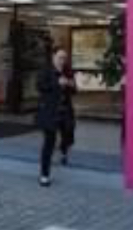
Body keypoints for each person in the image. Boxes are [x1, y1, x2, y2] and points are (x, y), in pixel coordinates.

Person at [36, 48, 77, 187]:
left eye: (64, 58)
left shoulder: (68, 71)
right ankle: (44, 175)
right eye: (60, 57)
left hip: (66, 113)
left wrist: (71, 84)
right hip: (50, 113)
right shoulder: (45, 71)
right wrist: (57, 83)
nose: (62, 60)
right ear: (53, 57)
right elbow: (40, 86)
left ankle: (64, 152)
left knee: (68, 135)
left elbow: (74, 90)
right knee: (49, 143)